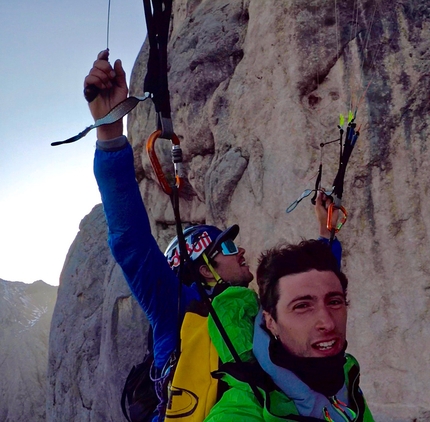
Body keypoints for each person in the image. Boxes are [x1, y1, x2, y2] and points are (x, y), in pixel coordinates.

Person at [85, 50, 343, 421]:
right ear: (204, 268)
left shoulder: (256, 309)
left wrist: (327, 234)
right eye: (229, 246)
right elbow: (131, 242)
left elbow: (312, 288)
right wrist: (109, 133)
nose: (242, 253)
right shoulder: (175, 308)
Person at [205, 240, 374, 421]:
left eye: (334, 302)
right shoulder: (239, 413)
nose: (328, 323)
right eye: (302, 306)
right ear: (271, 322)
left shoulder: (345, 385)